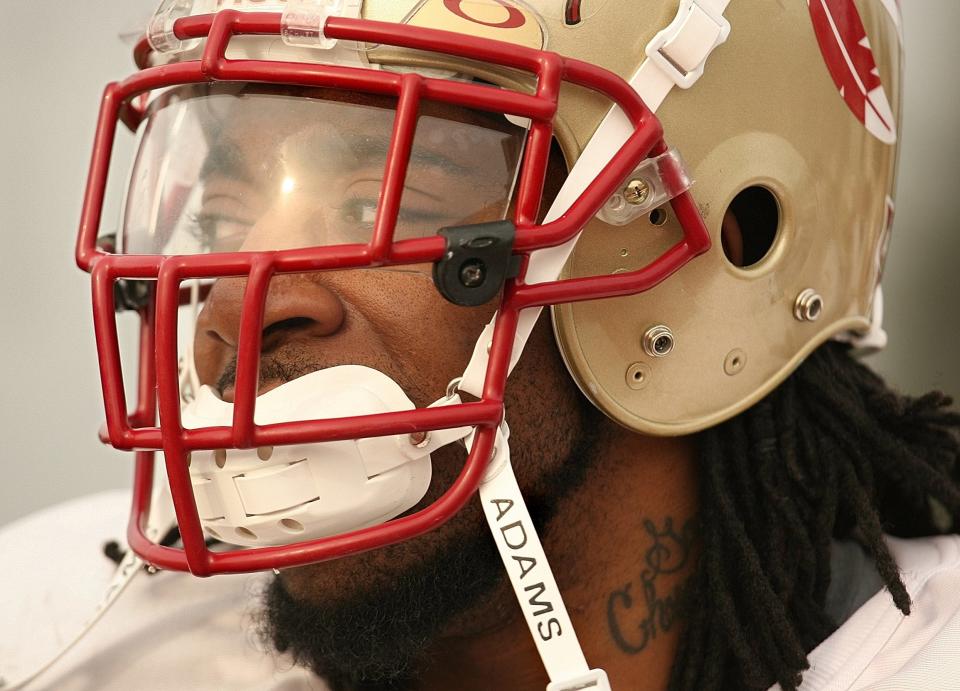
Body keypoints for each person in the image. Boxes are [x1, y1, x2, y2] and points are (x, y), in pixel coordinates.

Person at [3, 1, 958, 690]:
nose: (237, 310)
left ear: (722, 257)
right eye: (219, 211)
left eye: (388, 200)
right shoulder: (75, 644)